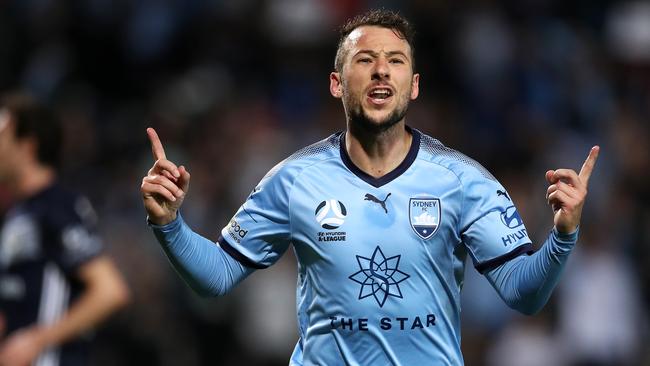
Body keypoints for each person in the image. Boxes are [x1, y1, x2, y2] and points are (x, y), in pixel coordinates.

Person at [141, 9, 599, 365]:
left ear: (413, 85)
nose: (381, 70)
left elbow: (524, 293)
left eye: (395, 61)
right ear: (337, 84)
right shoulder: (294, 179)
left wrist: (563, 235)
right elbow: (217, 276)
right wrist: (170, 224)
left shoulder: (462, 180)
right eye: (366, 60)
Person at [0, 93, 131, 366]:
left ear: (27, 146)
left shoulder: (59, 206)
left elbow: (109, 290)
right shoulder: (16, 216)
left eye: (2, 135)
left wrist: (37, 340)